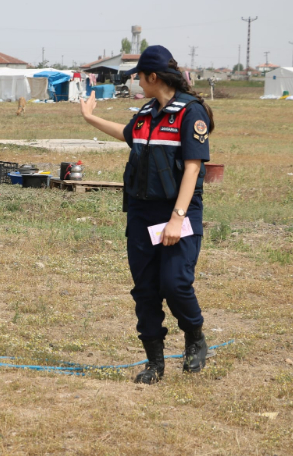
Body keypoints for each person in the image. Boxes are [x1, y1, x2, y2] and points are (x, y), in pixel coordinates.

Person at [79, 45, 214, 384]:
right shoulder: (146, 112)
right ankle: (155, 362)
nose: (137, 82)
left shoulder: (190, 113)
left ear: (153, 77)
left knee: (176, 282)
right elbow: (128, 135)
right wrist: (90, 118)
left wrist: (178, 217)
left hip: (177, 211)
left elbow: (194, 169)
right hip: (141, 213)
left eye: (139, 76)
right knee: (146, 289)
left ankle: (195, 335)